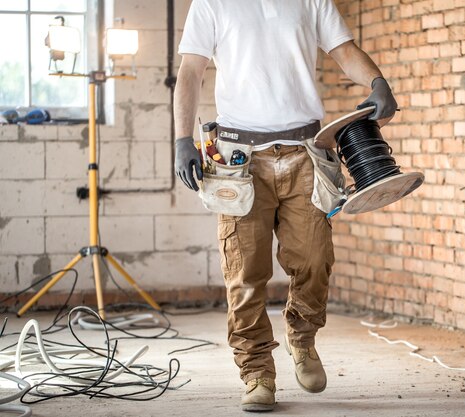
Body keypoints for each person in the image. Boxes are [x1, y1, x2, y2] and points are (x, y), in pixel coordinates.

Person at [174, 0, 397, 411]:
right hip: (238, 161)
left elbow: (343, 50)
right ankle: (257, 371)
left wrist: (377, 82)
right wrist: (182, 138)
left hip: (306, 153)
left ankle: (302, 337)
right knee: (244, 272)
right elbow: (191, 69)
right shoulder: (211, 3)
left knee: (314, 259)